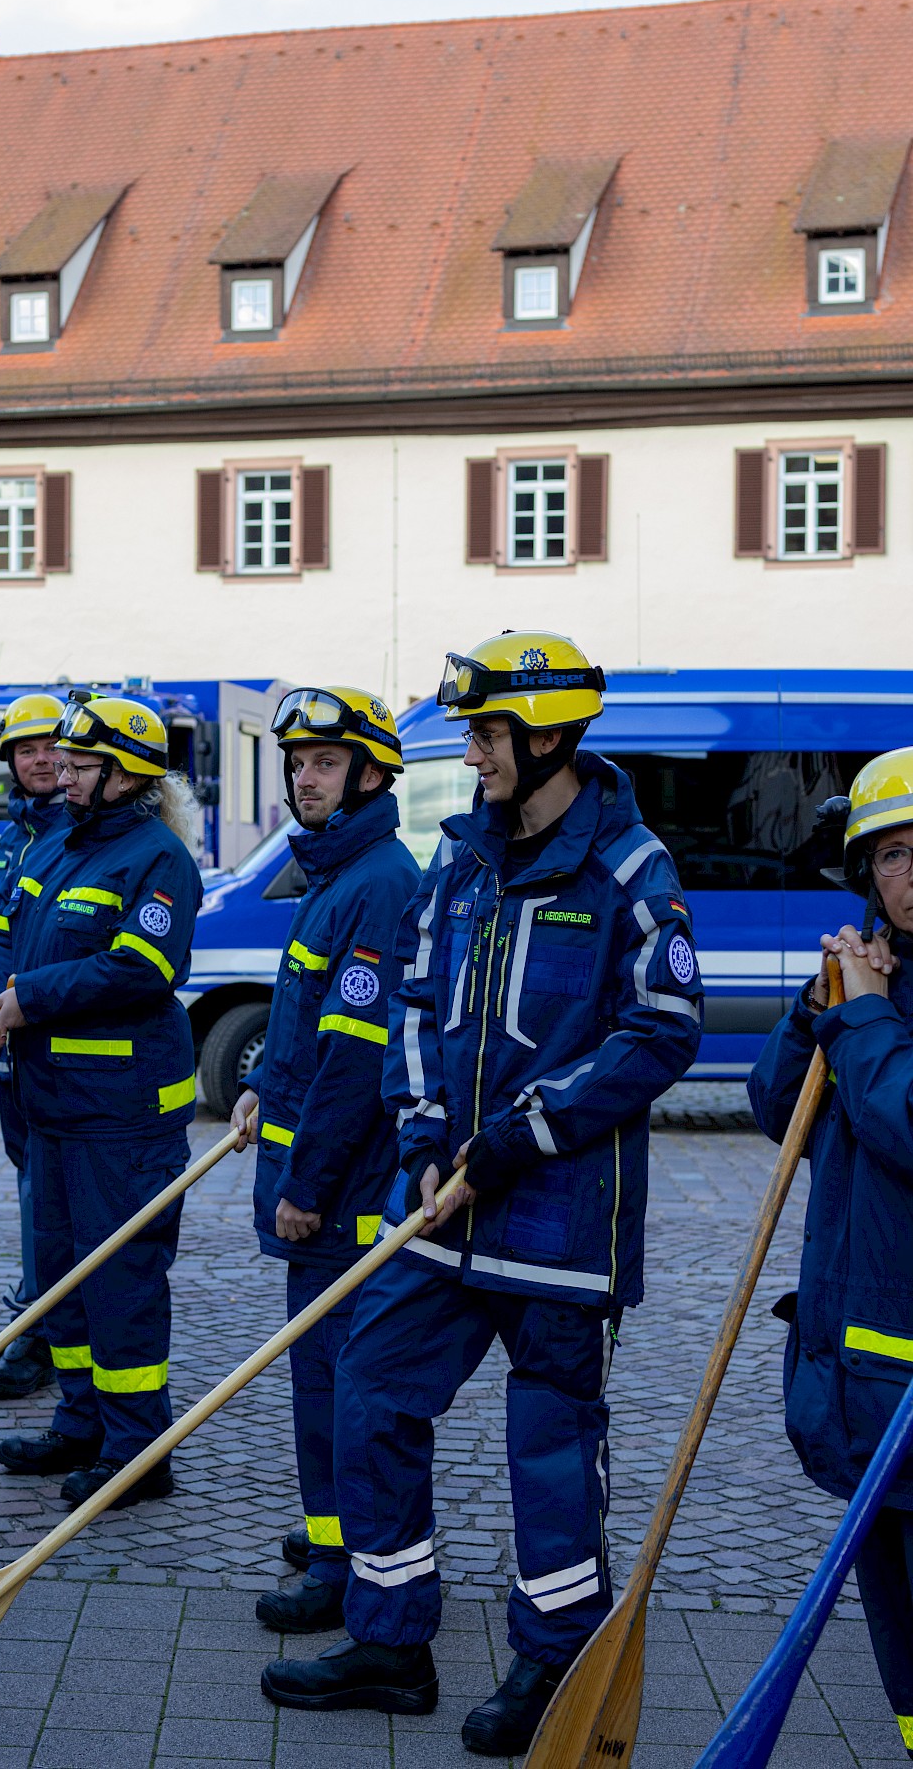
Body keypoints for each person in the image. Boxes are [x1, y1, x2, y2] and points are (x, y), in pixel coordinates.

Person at [262, 630, 703, 1755]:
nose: (471, 754)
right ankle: (390, 1640)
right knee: (370, 1390)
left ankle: (554, 1666)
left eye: (486, 734)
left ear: (546, 735)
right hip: (442, 1212)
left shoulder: (631, 870)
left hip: (560, 1223)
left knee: (549, 1448)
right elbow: (415, 1006)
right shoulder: (461, 861)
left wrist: (520, 1135)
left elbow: (662, 1028)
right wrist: (421, 1136)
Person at [0, 693, 203, 1509]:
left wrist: (28, 999)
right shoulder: (56, 843)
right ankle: (80, 1422)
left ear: (125, 774)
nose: (61, 775)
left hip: (121, 1114)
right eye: (61, 763)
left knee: (119, 1282)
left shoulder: (159, 859)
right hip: (52, 1106)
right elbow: (1, 930)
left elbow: (140, 968)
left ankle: (137, 1451)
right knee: (61, 1277)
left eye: (78, 765)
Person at [230, 687, 420, 1632]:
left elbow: (354, 1063)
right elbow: (307, 1034)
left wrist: (306, 1185)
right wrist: (264, 1087)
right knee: (323, 1378)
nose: (304, 778)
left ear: (372, 775)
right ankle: (336, 1534)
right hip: (318, 1175)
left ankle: (345, 1562)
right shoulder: (338, 872)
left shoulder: (377, 882)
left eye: (326, 762)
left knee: (335, 1385)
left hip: (339, 1195)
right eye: (298, 762)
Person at [749, 748, 913, 1764]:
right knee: (898, 1630)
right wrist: (814, 1012)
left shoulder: (877, 1006)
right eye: (894, 856)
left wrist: (859, 1018)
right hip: (866, 1372)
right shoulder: (871, 985)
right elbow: (780, 1114)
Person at [0, 692, 67, 1399]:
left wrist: (23, 1003)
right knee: (31, 1185)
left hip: (65, 1052)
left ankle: (41, 1331)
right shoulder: (18, 837)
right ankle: (42, 1317)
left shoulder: (81, 831)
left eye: (50, 748)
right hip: (17, 1052)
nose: (39, 760)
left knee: (48, 1193)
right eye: (25, 750)